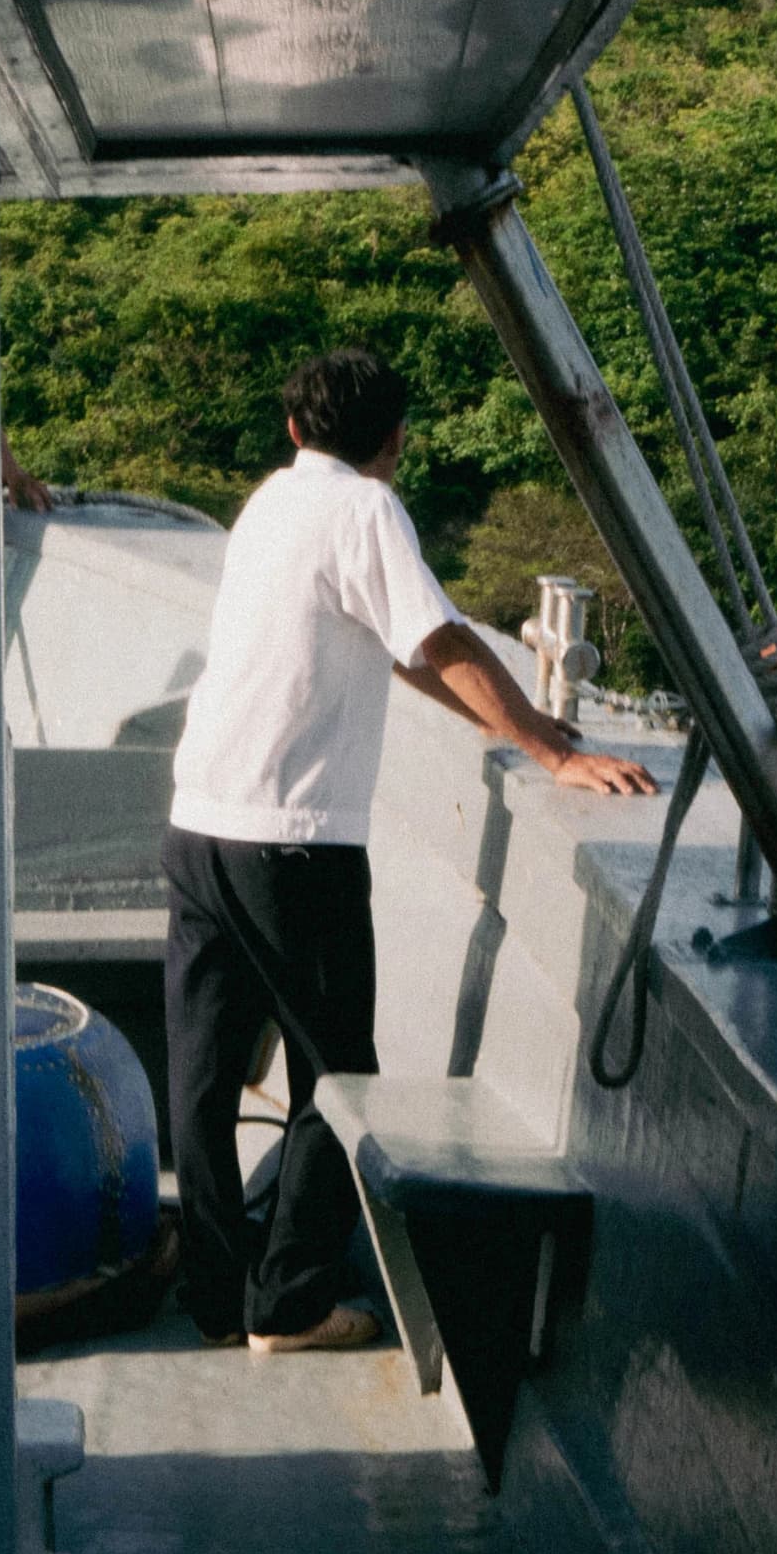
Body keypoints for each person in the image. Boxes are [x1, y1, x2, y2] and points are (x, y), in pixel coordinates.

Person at [161, 350, 654, 1353]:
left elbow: (395, 643)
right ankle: (291, 1303)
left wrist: (492, 720)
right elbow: (441, 639)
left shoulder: (269, 506)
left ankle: (214, 1294)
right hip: (292, 839)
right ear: (394, 442)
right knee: (339, 1070)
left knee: (204, 1073)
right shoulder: (368, 511)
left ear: (295, 434)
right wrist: (549, 744)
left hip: (199, 819)